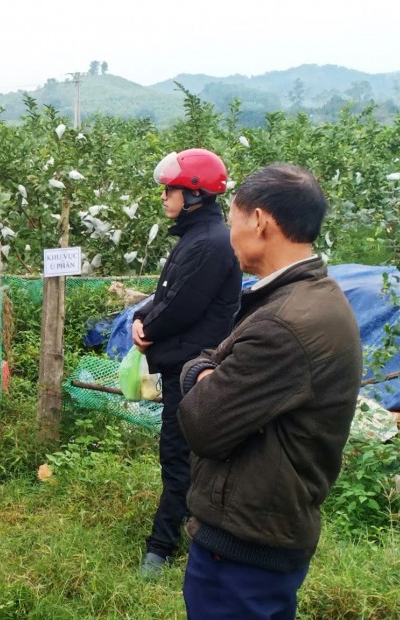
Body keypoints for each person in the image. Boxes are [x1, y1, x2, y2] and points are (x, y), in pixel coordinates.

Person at [178, 164, 362, 619]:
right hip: (264, 533)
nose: (230, 233)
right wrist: (209, 371)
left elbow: (202, 420)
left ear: (259, 221)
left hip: (244, 546)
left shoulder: (286, 323)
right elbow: (216, 369)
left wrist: (198, 374)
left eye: (234, 220)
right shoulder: (307, 299)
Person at [132, 148, 242, 576]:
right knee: (184, 453)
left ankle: (161, 548)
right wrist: (143, 315)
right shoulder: (198, 238)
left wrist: (147, 328)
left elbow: (182, 306)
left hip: (194, 369)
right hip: (185, 362)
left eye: (169, 190)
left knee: (179, 454)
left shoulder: (209, 244)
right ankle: (188, 528)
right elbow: (166, 296)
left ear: (193, 194)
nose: (164, 197)